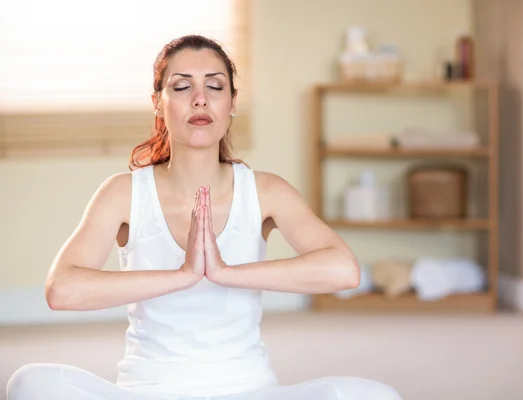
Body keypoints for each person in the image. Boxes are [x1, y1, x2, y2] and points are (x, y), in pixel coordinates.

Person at [6, 34, 402, 400]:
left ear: (231, 103)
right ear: (158, 104)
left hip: (250, 390)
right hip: (145, 392)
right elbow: (62, 290)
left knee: (375, 397)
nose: (200, 99)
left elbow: (343, 271)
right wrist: (181, 276)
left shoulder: (265, 190)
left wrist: (225, 272)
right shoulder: (123, 193)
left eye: (214, 86)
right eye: (181, 87)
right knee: (30, 382)